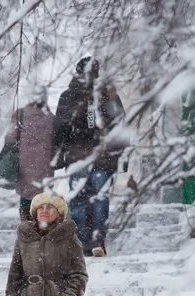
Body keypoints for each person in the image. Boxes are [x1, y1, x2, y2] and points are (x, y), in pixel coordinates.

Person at [52, 56, 127, 256]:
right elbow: (121, 125)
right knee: (99, 199)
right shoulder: (107, 96)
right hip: (102, 158)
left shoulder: (68, 96)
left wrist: (61, 150)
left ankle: (80, 241)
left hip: (78, 158)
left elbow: (59, 128)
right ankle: (96, 241)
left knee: (78, 199)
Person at [5, 86, 54, 221]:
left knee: (26, 198)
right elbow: (58, 143)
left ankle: (27, 228)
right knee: (43, 201)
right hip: (45, 169)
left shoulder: (20, 115)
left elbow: (10, 138)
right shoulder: (51, 118)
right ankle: (41, 229)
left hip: (24, 168)